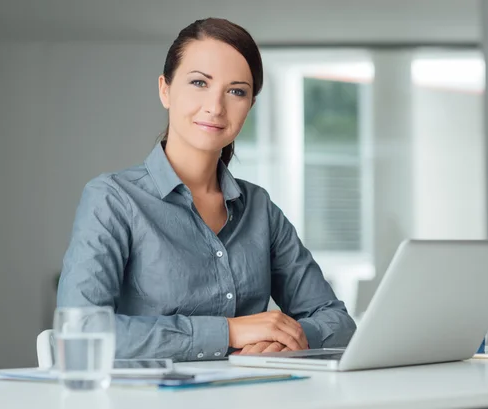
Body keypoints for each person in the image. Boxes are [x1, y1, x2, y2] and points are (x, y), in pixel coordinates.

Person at [57, 17, 356, 362]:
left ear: (249, 106)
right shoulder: (112, 199)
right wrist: (230, 331)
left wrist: (291, 336)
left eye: (236, 91)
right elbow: (79, 332)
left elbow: (339, 322)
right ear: (165, 90)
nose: (215, 107)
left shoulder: (259, 207)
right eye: (199, 82)